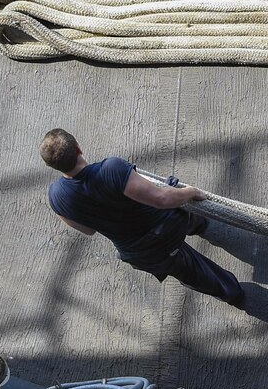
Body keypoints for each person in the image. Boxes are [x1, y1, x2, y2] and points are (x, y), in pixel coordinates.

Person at [40, 129, 245, 306]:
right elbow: (162, 199)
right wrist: (191, 192)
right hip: (168, 225)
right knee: (176, 196)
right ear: (78, 148)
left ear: (54, 167)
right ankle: (199, 224)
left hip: (143, 253)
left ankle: (234, 294)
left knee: (194, 272)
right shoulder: (111, 169)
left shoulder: (56, 197)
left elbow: (88, 230)